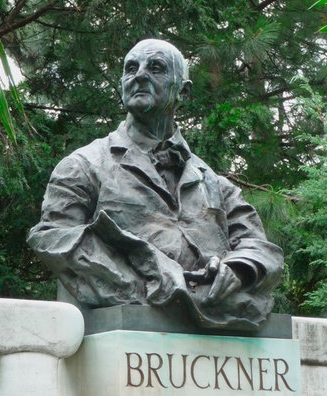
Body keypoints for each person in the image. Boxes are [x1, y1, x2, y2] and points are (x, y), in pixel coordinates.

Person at [27, 39, 283, 330]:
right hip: (127, 316)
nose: (139, 75)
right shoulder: (84, 165)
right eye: (131, 68)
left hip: (220, 313)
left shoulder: (214, 182)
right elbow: (54, 238)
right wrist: (149, 279)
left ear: (183, 91)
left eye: (156, 68)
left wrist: (238, 269)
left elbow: (260, 247)